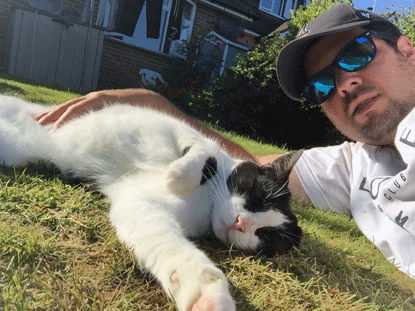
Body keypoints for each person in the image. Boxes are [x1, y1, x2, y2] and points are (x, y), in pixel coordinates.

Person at [36, 4, 415, 278]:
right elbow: (247, 168)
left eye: (356, 53)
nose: (344, 84)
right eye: (321, 86)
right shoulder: (351, 166)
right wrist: (154, 107)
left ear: (407, 49)